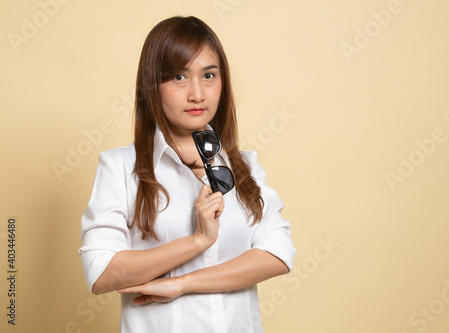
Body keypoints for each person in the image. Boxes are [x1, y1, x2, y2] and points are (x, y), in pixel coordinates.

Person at [79, 16, 295, 333]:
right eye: (179, 77)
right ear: (153, 84)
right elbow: (101, 274)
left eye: (209, 75)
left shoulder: (244, 165)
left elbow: (278, 253)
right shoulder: (121, 167)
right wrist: (197, 241)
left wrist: (182, 284)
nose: (197, 94)